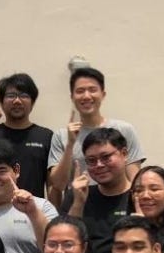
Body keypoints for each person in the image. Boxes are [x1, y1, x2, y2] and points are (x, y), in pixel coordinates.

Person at [48, 67, 145, 207]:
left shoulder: (124, 130)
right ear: (72, 97)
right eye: (80, 91)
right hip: (79, 207)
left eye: (92, 90)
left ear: (103, 94)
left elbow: (135, 180)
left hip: (120, 206)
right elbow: (58, 184)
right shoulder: (61, 135)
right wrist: (70, 144)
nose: (86, 96)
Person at [64, 127, 131, 253]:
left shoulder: (140, 198)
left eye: (106, 157)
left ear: (124, 154)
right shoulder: (77, 195)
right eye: (91, 161)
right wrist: (78, 203)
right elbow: (64, 241)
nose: (99, 165)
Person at [0, 73, 53, 198]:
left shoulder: (46, 136)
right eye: (11, 96)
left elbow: (51, 184)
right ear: (1, 102)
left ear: (32, 102)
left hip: (34, 206)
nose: (17, 101)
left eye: (24, 95)